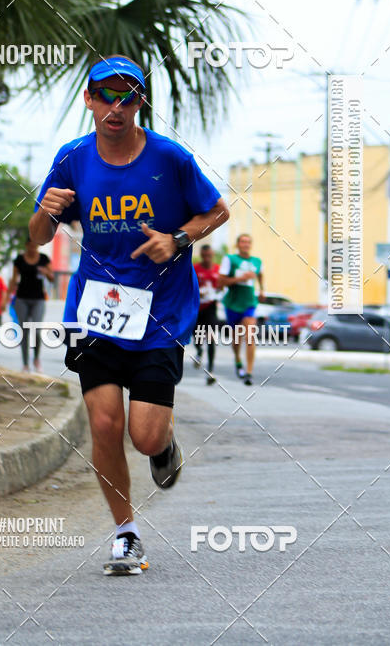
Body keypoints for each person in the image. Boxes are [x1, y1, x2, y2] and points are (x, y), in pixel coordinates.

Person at [30, 55, 229, 575]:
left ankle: (163, 446)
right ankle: (126, 534)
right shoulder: (73, 158)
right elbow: (37, 237)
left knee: (143, 435)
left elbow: (217, 211)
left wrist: (178, 238)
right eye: (105, 96)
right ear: (90, 101)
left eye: (127, 96)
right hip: (95, 311)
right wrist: (45, 212)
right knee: (103, 422)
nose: (116, 107)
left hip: (161, 312)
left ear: (140, 102)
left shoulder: (170, 158)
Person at [217, 234, 264, 386]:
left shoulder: (257, 262)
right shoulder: (230, 259)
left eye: (248, 242)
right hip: (232, 304)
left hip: (249, 303)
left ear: (251, 245)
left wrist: (262, 290)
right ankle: (238, 360)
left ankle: (249, 373)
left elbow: (260, 275)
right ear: (238, 244)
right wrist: (240, 279)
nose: (245, 244)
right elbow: (221, 282)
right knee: (236, 339)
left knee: (250, 335)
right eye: (243, 242)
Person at [8, 240, 55, 373]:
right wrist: (6, 297)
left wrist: (46, 272)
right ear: (27, 245)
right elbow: (13, 279)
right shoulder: (19, 259)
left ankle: (36, 358)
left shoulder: (44, 259)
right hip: (21, 298)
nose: (33, 248)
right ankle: (25, 364)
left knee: (37, 330)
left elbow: (52, 278)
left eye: (36, 245)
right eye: (31, 245)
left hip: (38, 299)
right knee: (24, 331)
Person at [193, 244, 220, 384]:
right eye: (205, 256)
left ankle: (211, 371)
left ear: (212, 255)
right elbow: (189, 286)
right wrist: (199, 292)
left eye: (210, 255)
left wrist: (218, 294)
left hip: (211, 307)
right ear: (202, 255)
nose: (207, 258)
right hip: (197, 307)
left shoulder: (217, 270)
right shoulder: (195, 269)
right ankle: (198, 351)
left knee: (211, 339)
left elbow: (222, 287)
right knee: (197, 335)